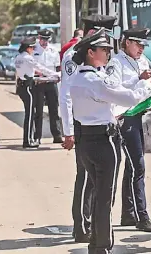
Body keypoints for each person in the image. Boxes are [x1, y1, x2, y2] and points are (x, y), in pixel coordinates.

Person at [70, 29, 151, 254]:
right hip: (103, 140)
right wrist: (149, 86)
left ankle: (96, 241)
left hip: (85, 138)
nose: (108, 53)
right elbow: (128, 97)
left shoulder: (80, 78)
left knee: (97, 192)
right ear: (91, 53)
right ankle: (101, 245)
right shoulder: (95, 80)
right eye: (104, 50)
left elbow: (112, 102)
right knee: (105, 196)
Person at [59, 15, 118, 243]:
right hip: (84, 124)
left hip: (105, 122)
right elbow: (66, 93)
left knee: (101, 182)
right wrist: (68, 130)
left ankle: (97, 226)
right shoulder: (75, 56)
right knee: (85, 177)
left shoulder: (103, 56)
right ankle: (82, 226)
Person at [105, 28, 151, 232]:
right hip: (124, 117)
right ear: (127, 42)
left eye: (143, 45)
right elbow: (112, 91)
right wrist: (139, 81)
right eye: (138, 44)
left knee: (132, 167)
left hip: (138, 115)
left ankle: (128, 213)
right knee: (138, 166)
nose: (141, 49)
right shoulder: (116, 63)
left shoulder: (142, 60)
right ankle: (142, 216)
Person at [14, 37, 60, 148]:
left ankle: (28, 139)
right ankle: (28, 140)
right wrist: (56, 74)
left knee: (30, 114)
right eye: (33, 47)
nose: (34, 50)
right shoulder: (28, 58)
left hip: (21, 86)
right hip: (27, 87)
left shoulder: (18, 57)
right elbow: (41, 68)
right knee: (30, 115)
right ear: (28, 48)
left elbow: (29, 70)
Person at [32, 28, 63, 144]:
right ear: (39, 38)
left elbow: (57, 67)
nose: (44, 42)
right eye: (42, 39)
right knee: (38, 111)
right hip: (39, 83)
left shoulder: (53, 50)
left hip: (51, 82)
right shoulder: (34, 50)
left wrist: (58, 76)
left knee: (54, 110)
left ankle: (57, 134)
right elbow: (31, 66)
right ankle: (37, 136)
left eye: (46, 39)